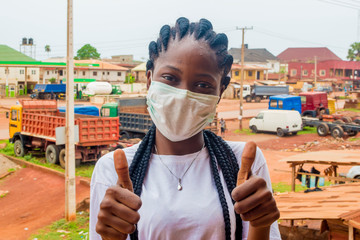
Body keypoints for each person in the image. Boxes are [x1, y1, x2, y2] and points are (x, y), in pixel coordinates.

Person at [90, 17, 280, 240]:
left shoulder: (243, 164)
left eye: (202, 85)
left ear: (220, 91)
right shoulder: (111, 170)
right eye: (170, 78)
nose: (183, 94)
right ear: (149, 81)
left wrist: (261, 226)